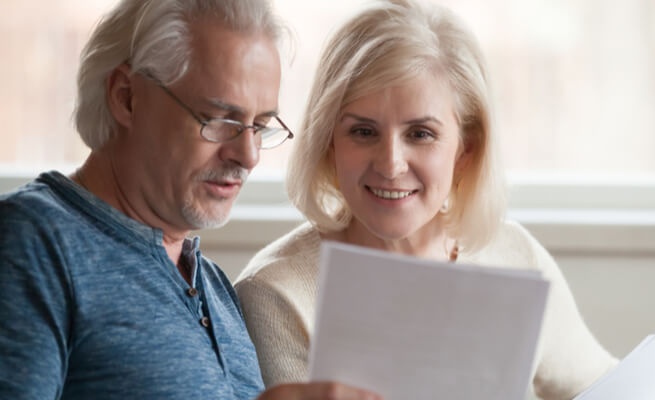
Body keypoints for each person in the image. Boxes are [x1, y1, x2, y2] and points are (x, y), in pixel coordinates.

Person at [235, 0, 618, 399]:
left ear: (466, 148)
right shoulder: (277, 294)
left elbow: (604, 386)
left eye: (420, 134)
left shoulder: (514, 254)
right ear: (329, 141)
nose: (390, 164)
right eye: (363, 132)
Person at [0, 0, 379, 399]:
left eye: (260, 126)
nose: (248, 155)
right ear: (127, 97)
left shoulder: (213, 285)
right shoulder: (31, 243)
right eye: (221, 121)